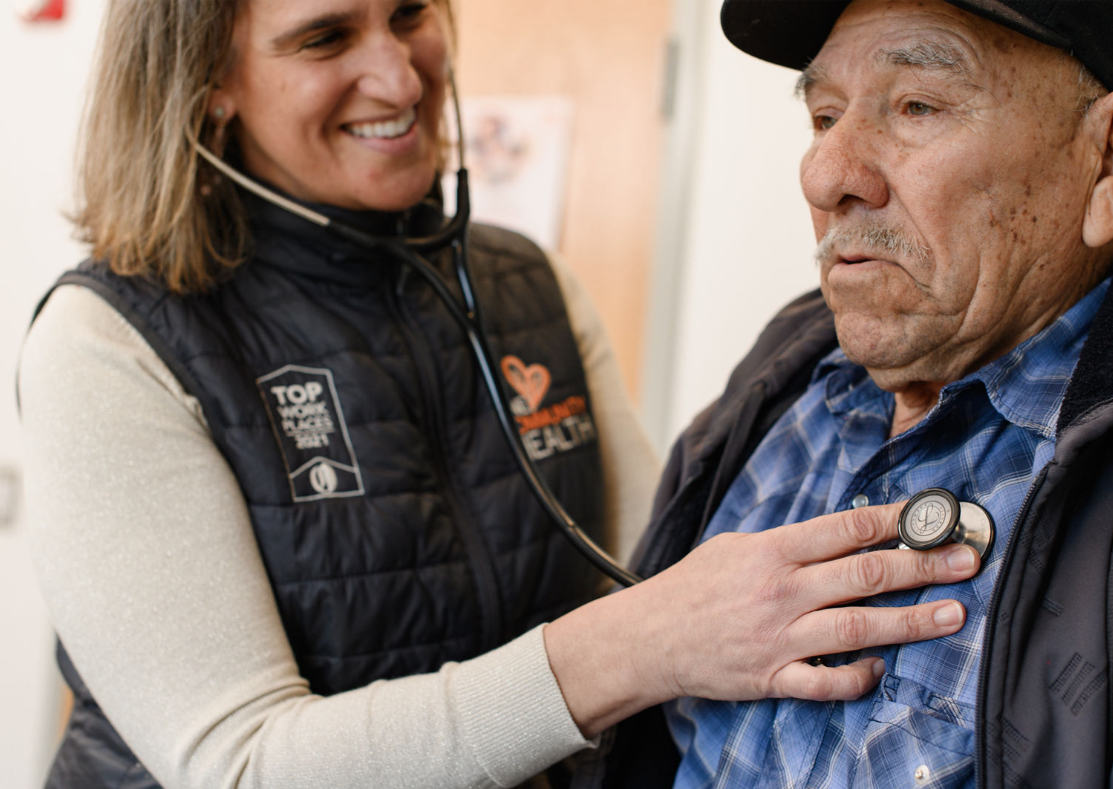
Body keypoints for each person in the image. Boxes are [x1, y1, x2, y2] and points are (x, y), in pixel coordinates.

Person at [19, 1, 985, 788]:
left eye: (409, 14)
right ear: (205, 85)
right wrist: (628, 648)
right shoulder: (110, 342)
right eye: (323, 38)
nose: (400, 77)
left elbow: (655, 573)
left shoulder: (526, 284)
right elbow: (241, 764)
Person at [573, 0, 1113, 787]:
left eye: (916, 106)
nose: (824, 174)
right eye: (824, 115)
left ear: (1107, 159)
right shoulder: (782, 367)